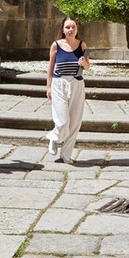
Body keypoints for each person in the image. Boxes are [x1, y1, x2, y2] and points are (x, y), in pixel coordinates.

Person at [45, 16, 90, 164]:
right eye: (68, 27)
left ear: (77, 29)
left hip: (77, 84)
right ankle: (54, 137)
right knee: (63, 121)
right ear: (63, 30)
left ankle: (66, 155)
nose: (70, 30)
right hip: (59, 83)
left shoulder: (82, 45)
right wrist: (48, 87)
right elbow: (50, 67)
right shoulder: (56, 45)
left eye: (73, 27)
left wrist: (84, 63)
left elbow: (88, 67)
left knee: (75, 121)